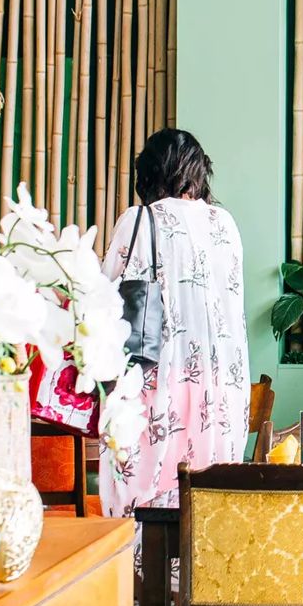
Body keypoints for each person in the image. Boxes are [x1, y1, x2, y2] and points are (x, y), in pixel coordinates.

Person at [97, 128, 249, 514]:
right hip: (219, 391)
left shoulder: (139, 219)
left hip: (155, 384)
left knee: (145, 502)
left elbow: (101, 295)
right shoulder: (225, 225)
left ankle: (141, 576)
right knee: (203, 505)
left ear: (148, 174)